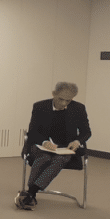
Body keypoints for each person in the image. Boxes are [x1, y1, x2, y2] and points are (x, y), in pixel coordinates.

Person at [15, 81, 92, 210]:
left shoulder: (78, 108)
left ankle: (31, 192)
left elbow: (86, 132)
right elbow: (33, 132)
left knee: (59, 159)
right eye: (61, 99)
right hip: (41, 145)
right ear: (54, 94)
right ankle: (31, 193)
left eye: (68, 100)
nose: (64, 103)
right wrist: (45, 142)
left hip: (65, 148)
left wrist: (77, 141)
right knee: (44, 158)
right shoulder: (40, 107)